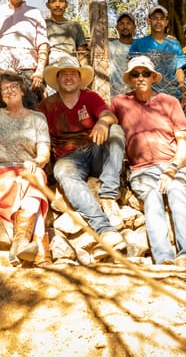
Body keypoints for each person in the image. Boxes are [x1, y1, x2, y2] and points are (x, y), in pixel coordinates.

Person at [111, 56, 186, 268]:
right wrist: (102, 123)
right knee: (152, 198)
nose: (140, 78)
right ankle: (163, 257)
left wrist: (172, 169)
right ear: (130, 79)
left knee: (177, 193)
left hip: (172, 163)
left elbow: (184, 141)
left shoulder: (170, 102)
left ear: (153, 77)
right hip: (142, 169)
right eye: (135, 74)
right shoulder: (120, 102)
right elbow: (107, 120)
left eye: (145, 74)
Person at [39, 56, 126, 253]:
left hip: (94, 148)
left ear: (79, 78)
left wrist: (103, 121)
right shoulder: (47, 105)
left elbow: (110, 116)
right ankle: (104, 229)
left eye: (73, 74)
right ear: (57, 79)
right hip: (68, 158)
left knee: (115, 131)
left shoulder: (90, 97)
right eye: (64, 74)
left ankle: (108, 195)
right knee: (64, 173)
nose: (69, 78)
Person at [0, 72, 52, 266]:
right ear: (0, 95)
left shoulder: (38, 118)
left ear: (22, 91)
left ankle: (20, 243)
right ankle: (40, 253)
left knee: (35, 176)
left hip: (27, 171)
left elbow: (44, 153)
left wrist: (36, 162)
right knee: (33, 191)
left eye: (14, 86)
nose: (9, 91)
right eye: (4, 89)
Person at [129, 6, 186, 104]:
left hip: (172, 94)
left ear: (166, 22)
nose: (158, 22)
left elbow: (179, 69)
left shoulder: (174, 44)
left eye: (162, 19)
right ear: (149, 21)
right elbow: (133, 71)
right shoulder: (138, 44)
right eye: (155, 18)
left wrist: (183, 93)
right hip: (148, 95)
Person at [45, 0, 88, 66]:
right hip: (50, 64)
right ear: (48, 5)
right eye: (53, 1)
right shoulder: (43, 24)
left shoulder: (74, 25)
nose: (57, 5)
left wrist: (85, 67)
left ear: (66, 4)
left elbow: (82, 52)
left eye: (61, 1)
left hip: (70, 63)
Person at [108, 12, 136, 98]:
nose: (125, 26)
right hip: (115, 95)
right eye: (121, 23)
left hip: (135, 95)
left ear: (134, 27)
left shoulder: (139, 46)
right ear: (117, 27)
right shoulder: (110, 46)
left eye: (128, 23)